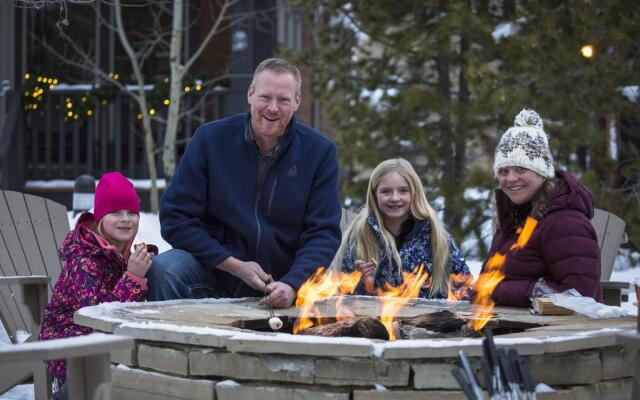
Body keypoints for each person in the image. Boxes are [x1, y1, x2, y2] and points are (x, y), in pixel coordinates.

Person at [148, 58, 341, 308]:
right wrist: (233, 265)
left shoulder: (319, 152)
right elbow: (176, 218)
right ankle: (170, 345)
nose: (273, 108)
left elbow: (322, 233)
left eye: (283, 99)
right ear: (250, 94)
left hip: (282, 286)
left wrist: (293, 284)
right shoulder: (210, 140)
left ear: (297, 101)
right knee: (166, 268)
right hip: (215, 275)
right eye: (265, 97)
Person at [38, 172, 153, 398]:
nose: (125, 218)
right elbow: (96, 315)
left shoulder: (121, 255)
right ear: (100, 217)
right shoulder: (85, 261)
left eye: (131, 212)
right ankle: (66, 393)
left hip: (99, 337)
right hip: (66, 340)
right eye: (115, 212)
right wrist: (132, 278)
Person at [483, 108, 602, 307]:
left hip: (560, 334)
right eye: (503, 171)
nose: (510, 178)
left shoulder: (565, 222)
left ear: (542, 172)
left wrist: (497, 290)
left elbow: (579, 295)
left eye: (521, 168)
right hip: (511, 327)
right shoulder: (515, 217)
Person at [334, 158, 471, 298]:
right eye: (386, 191)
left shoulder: (436, 237)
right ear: (374, 195)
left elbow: (465, 293)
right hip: (374, 319)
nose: (395, 198)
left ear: (414, 193)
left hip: (430, 319)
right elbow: (341, 304)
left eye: (403, 191)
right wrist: (363, 282)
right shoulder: (359, 237)